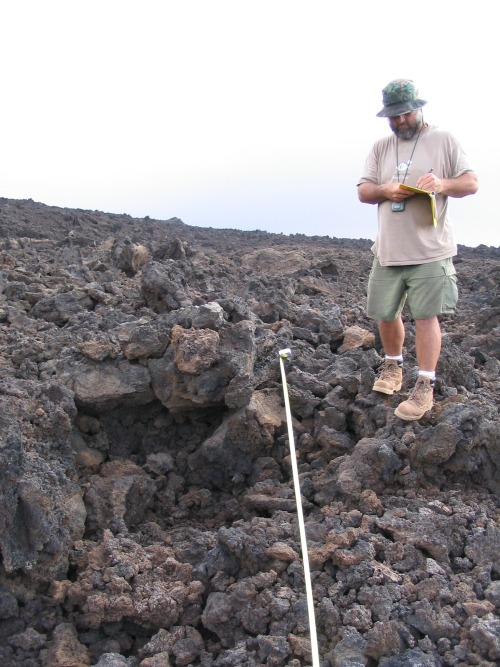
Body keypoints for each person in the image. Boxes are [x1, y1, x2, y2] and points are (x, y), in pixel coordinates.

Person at [357, 79, 478, 421]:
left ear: (418, 108)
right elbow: (364, 191)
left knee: (426, 316)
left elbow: (470, 182)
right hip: (389, 249)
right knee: (384, 312)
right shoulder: (381, 147)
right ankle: (392, 367)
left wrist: (442, 184)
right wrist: (386, 189)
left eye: (404, 115)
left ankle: (424, 384)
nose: (399, 122)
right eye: (393, 117)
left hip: (429, 250)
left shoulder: (443, 140)